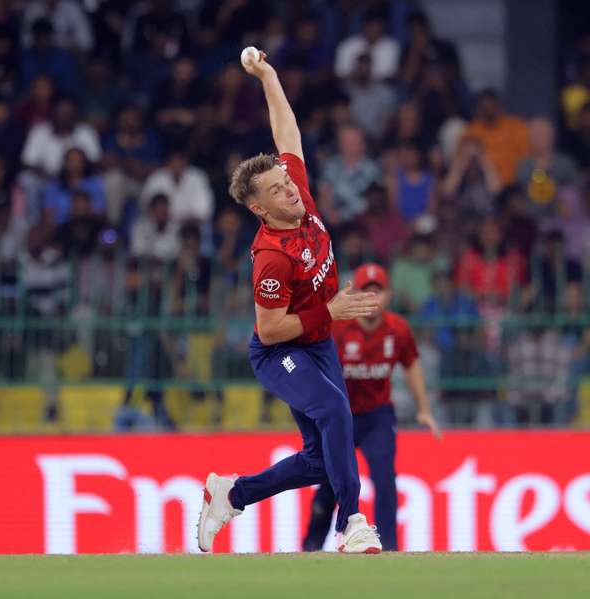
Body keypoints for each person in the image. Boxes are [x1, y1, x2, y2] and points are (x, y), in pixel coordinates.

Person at [197, 49, 383, 554]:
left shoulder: (296, 190)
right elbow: (272, 330)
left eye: (287, 182)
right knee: (336, 414)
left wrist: (269, 76)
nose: (292, 192)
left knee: (322, 460)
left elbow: (287, 131)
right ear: (259, 208)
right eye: (278, 192)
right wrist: (332, 312)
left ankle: (231, 494)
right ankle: (352, 523)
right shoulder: (270, 259)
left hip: (317, 343)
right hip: (279, 352)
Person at [301, 264, 441, 552]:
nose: (372, 298)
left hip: (377, 416)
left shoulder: (398, 329)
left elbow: (411, 365)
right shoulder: (338, 328)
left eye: (378, 292)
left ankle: (388, 547)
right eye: (366, 292)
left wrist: (424, 408)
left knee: (385, 479)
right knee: (330, 482)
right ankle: (311, 546)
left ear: (388, 296)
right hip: (341, 416)